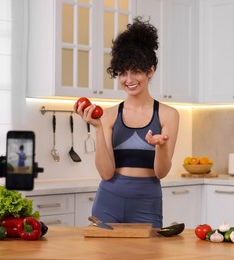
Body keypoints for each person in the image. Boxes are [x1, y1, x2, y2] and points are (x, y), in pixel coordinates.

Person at [74, 17, 179, 228]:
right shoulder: (109, 115)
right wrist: (98, 128)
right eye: (122, 73)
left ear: (150, 71)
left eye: (136, 71)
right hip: (108, 202)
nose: (129, 79)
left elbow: (161, 173)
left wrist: (161, 146)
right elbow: (106, 173)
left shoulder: (168, 114)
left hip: (147, 203)